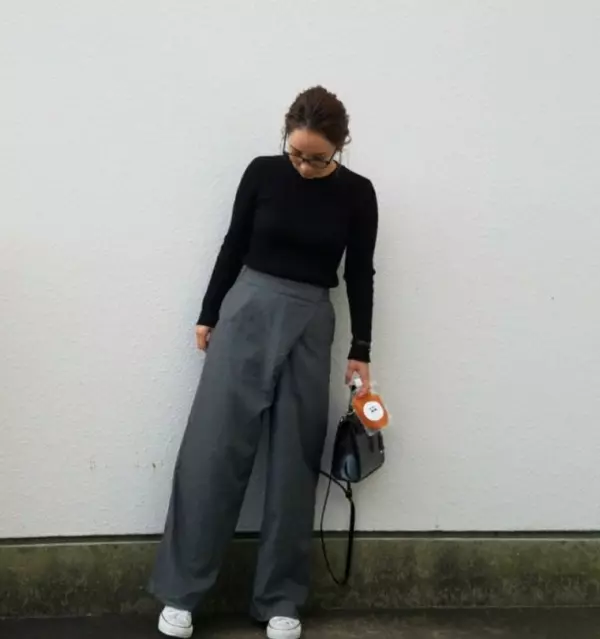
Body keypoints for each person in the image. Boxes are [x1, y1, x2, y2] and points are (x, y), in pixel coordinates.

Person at [148, 86, 379, 639]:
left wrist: (361, 349)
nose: (303, 166)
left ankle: (281, 598)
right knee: (213, 449)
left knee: (294, 461)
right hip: (247, 309)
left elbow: (359, 272)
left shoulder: (359, 194)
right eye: (295, 153)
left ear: (340, 147)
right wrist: (208, 312)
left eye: (317, 158)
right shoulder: (261, 173)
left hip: (310, 321)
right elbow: (233, 243)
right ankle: (182, 592)